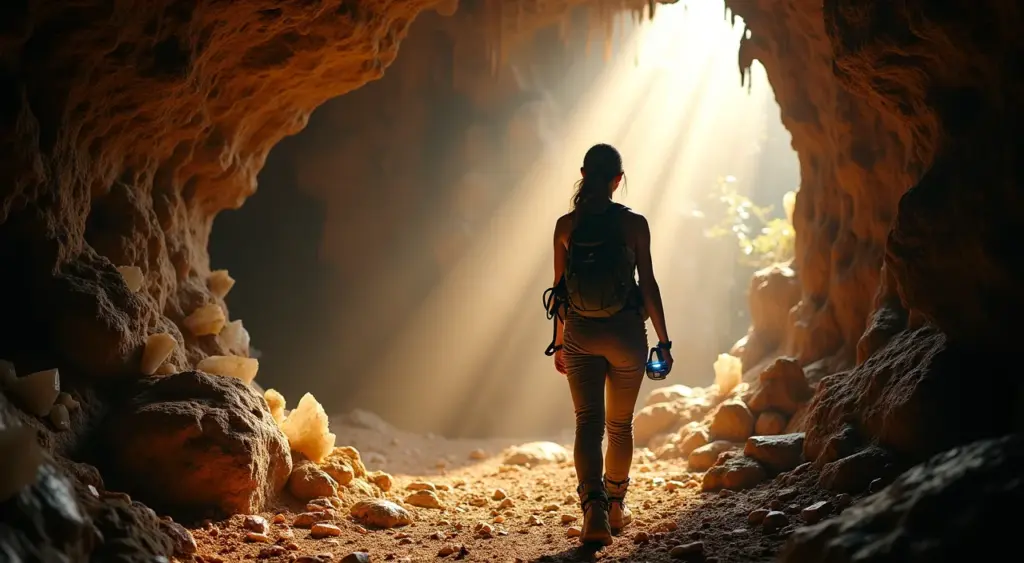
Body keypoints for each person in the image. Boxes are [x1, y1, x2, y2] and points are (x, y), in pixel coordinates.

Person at [549, 143, 674, 546]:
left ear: (583, 173)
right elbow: (649, 285)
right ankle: (617, 505)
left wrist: (559, 344)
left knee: (588, 424)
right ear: (618, 180)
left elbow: (559, 291)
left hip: (581, 334)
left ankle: (594, 513)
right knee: (619, 425)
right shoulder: (634, 224)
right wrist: (664, 340)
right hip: (625, 336)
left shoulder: (565, 225)